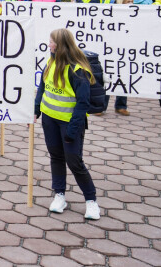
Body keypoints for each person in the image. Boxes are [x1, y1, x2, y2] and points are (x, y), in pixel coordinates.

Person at [35, 29, 100, 220]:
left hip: (69, 124)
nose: (49, 44)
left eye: (52, 41)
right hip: (49, 120)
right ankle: (59, 195)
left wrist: (73, 129)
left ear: (60, 44)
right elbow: (43, 86)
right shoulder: (51, 61)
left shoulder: (78, 70)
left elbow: (83, 103)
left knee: (74, 161)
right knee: (56, 157)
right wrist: (36, 109)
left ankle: (91, 201)